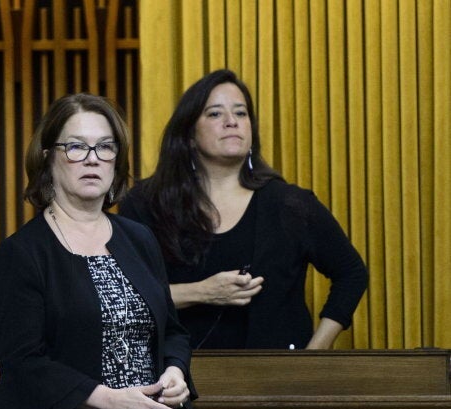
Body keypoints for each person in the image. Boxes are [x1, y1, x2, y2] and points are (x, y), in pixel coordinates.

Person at [0, 93, 197, 409]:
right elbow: (23, 365)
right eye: (76, 147)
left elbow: (172, 331)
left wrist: (175, 372)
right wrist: (110, 401)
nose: (92, 159)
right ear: (47, 158)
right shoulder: (23, 252)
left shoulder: (140, 239)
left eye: (105, 147)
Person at [120, 69, 367, 350]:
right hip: (175, 379)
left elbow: (352, 273)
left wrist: (313, 356)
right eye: (215, 114)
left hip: (277, 383)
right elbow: (122, 297)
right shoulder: (145, 204)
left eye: (241, 113)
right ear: (188, 134)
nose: (231, 122)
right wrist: (202, 292)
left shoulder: (290, 204)